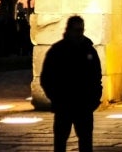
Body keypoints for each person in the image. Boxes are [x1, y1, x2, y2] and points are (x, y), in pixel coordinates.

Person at [41, 15, 102, 152]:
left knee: (86, 142)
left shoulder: (89, 50)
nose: (79, 33)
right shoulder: (57, 51)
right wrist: (56, 98)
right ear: (68, 30)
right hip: (64, 104)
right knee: (61, 142)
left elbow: (96, 76)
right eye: (76, 30)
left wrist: (95, 98)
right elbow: (47, 78)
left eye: (81, 30)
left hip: (84, 105)